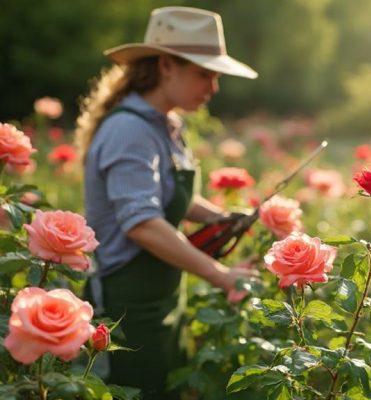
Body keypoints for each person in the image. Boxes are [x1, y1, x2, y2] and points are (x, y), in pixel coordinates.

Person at [75, 7, 258, 399]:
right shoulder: (129, 130)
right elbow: (141, 222)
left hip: (163, 294)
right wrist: (220, 274)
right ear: (166, 66)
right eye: (204, 73)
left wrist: (221, 217)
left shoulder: (166, 123)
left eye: (216, 75)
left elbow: (173, 196)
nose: (214, 87)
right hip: (128, 305)